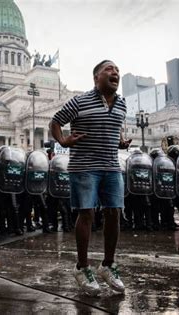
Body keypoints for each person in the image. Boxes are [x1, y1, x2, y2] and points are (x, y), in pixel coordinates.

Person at [50, 60, 131, 295]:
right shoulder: (80, 101)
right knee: (87, 213)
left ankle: (107, 265)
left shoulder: (122, 104)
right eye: (109, 69)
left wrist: (120, 142)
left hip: (111, 166)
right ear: (96, 77)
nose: (115, 72)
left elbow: (113, 129)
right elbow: (55, 122)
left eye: (117, 69)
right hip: (84, 166)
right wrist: (63, 140)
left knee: (115, 211)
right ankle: (82, 267)